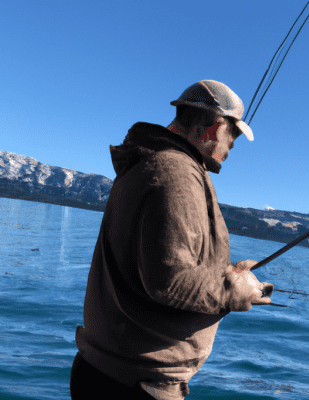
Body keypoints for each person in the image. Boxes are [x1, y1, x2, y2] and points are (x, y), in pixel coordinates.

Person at [70, 80, 274, 400]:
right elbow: (169, 280)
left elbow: (158, 260)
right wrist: (233, 289)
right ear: (212, 129)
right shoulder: (174, 173)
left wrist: (227, 273)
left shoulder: (151, 162)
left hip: (109, 373)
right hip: (134, 385)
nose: (232, 147)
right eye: (232, 136)